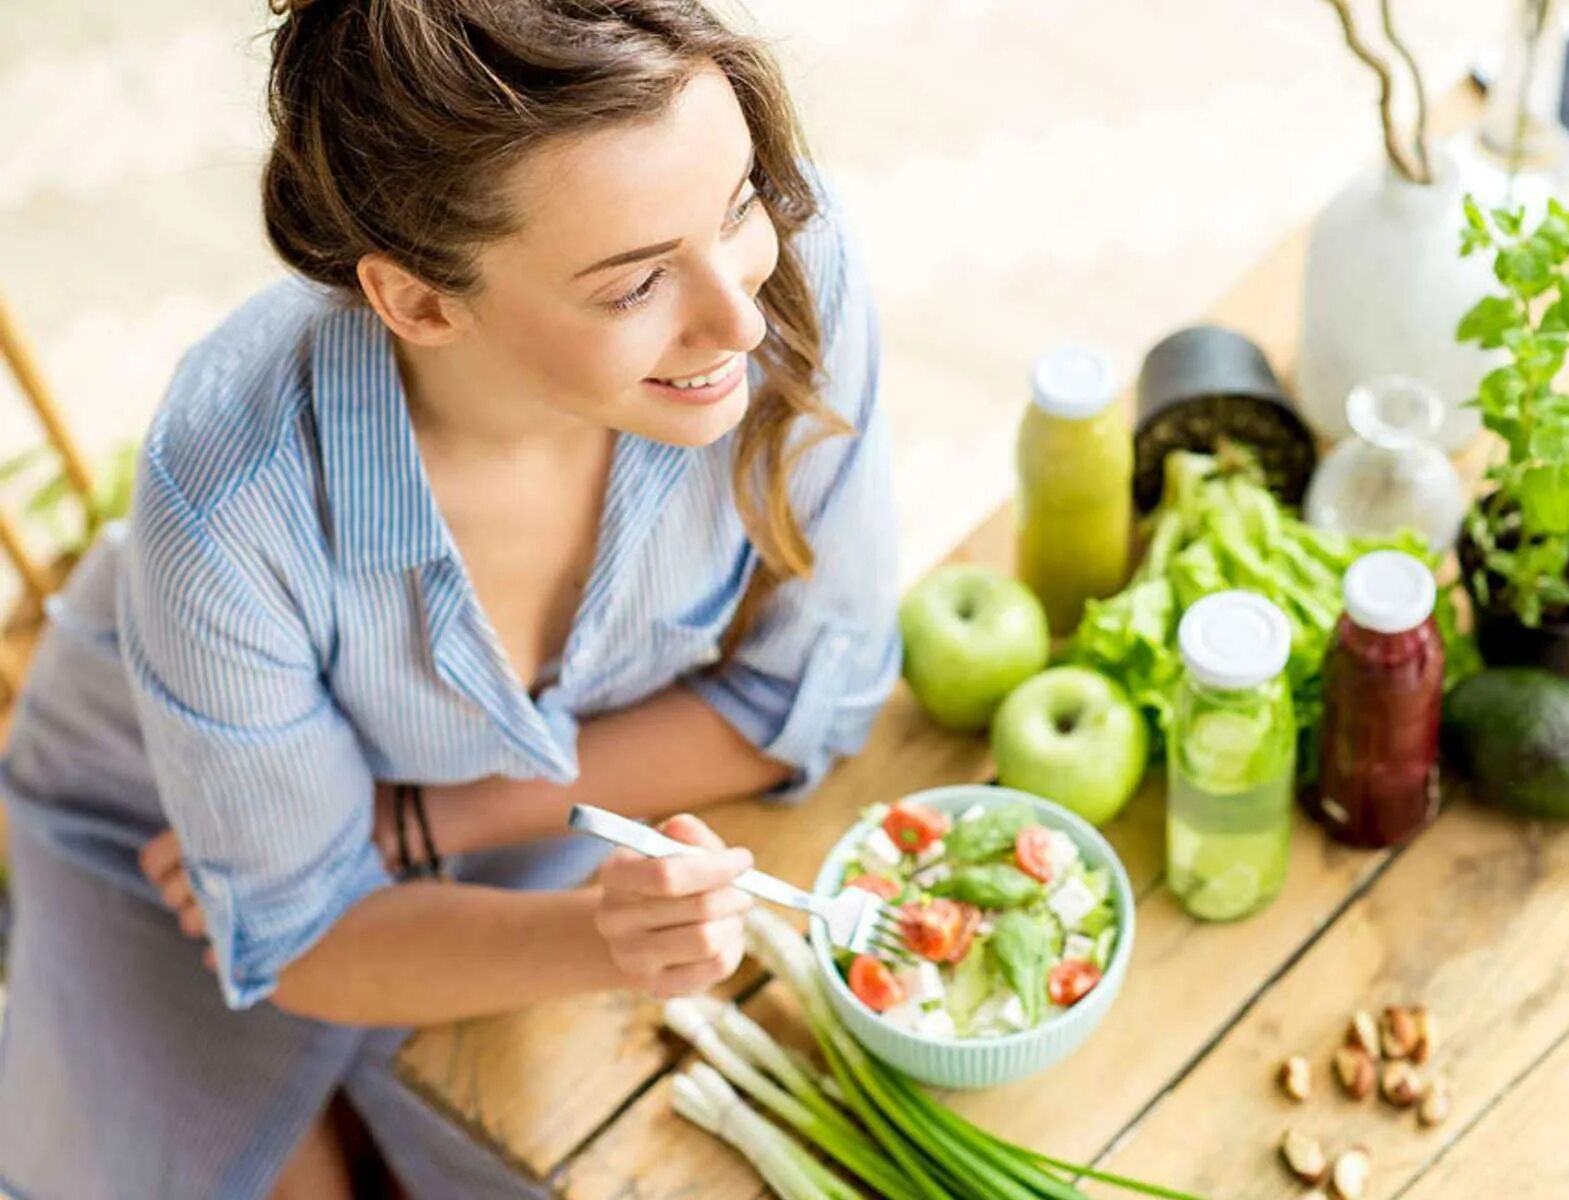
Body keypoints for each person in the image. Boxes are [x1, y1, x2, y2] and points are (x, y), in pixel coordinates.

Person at [0, 1, 899, 1195]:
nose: (741, 310)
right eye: (635, 284)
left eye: (735, 204)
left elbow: (813, 691)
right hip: (160, 834)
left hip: (503, 833)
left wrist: (434, 824)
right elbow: (307, 932)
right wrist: (601, 937)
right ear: (419, 301)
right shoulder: (227, 490)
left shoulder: (785, 276)